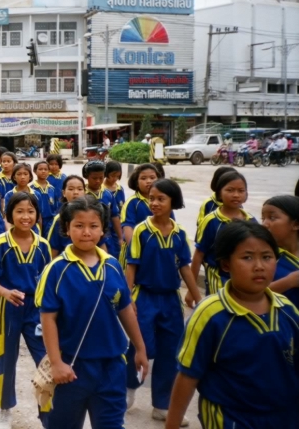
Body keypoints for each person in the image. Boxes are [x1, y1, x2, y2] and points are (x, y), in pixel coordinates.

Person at [166, 221, 299, 429]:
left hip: (284, 416)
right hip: (230, 418)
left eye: (267, 257)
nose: (259, 266)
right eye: (247, 257)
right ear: (226, 264)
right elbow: (187, 375)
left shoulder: (288, 310)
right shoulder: (210, 314)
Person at [35, 196, 148, 429]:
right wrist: (56, 363)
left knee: (111, 424)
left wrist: (140, 348)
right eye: (79, 225)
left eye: (93, 226)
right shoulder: (56, 271)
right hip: (71, 369)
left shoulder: (112, 266)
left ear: (103, 230)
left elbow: (125, 309)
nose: (86, 232)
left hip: (111, 365)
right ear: (67, 229)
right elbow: (48, 320)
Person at [124, 179, 201, 425]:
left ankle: (161, 405)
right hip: (145, 297)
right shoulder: (141, 231)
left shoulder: (179, 234)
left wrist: (198, 298)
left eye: (161, 199)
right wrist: (128, 299)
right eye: (151, 198)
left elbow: (185, 268)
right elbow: (131, 266)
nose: (154, 203)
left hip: (170, 299)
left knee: (170, 352)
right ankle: (128, 388)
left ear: (173, 202)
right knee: (140, 347)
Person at [0, 192, 51, 429]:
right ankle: (4, 409)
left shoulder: (43, 245)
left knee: (46, 361)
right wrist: (4, 292)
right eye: (20, 211)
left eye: (31, 211)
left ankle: (48, 414)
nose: (26, 216)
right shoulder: (1, 243)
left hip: (36, 309)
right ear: (9, 214)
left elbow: (47, 280)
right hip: (6, 307)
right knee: (5, 359)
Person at [191, 171, 256, 302]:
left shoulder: (251, 220)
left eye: (241, 190)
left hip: (244, 278)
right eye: (230, 190)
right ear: (219, 193)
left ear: (246, 194)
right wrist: (192, 289)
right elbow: (199, 254)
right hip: (218, 279)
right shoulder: (210, 221)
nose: (236, 195)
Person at [264, 195, 299, 309]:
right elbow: (247, 295)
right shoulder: (264, 255)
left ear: (295, 224)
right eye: (263, 218)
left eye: (272, 218)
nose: (264, 224)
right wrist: (289, 282)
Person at [47, 175, 86, 256]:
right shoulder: (59, 219)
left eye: (80, 189)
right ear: (64, 193)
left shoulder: (91, 216)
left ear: (85, 192)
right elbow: (53, 249)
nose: (76, 192)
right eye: (71, 189)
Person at [31, 161, 57, 238]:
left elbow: (55, 206)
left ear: (49, 171)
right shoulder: (32, 188)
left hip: (50, 220)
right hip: (36, 221)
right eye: (40, 169)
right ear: (35, 171)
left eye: (46, 169)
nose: (43, 171)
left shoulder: (52, 188)